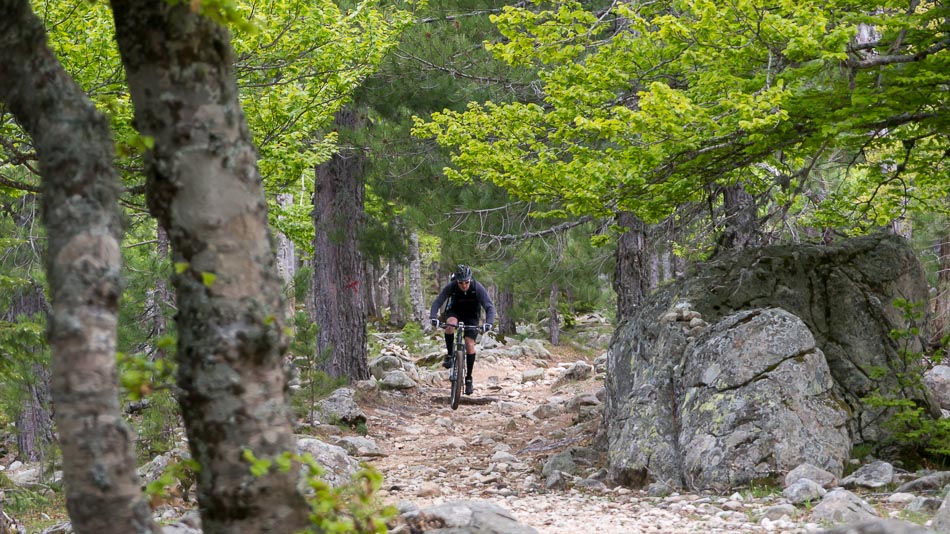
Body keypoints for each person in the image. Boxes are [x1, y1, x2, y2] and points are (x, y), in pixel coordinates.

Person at [429, 264, 495, 395]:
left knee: (470, 344)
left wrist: (489, 323)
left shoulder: (477, 287)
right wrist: (433, 317)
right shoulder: (452, 286)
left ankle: (469, 378)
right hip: (455, 312)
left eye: (466, 282)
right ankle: (449, 355)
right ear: (456, 281)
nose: (464, 285)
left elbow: (489, 306)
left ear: (470, 280)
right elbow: (438, 301)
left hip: (472, 316)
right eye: (461, 283)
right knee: (450, 324)